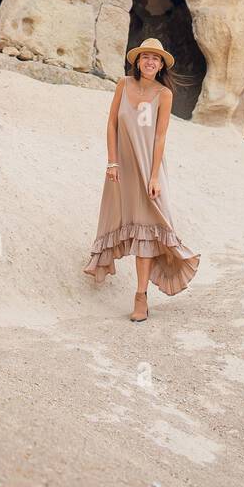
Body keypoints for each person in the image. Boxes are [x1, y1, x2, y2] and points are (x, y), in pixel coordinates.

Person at [83, 37, 200, 321]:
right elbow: (111, 123)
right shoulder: (123, 85)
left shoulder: (164, 93)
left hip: (148, 168)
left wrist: (155, 175)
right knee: (118, 218)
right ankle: (101, 263)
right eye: (146, 56)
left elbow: (160, 136)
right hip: (121, 166)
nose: (150, 62)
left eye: (156, 59)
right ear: (137, 61)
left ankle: (140, 296)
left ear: (161, 66)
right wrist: (112, 161)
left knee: (148, 228)